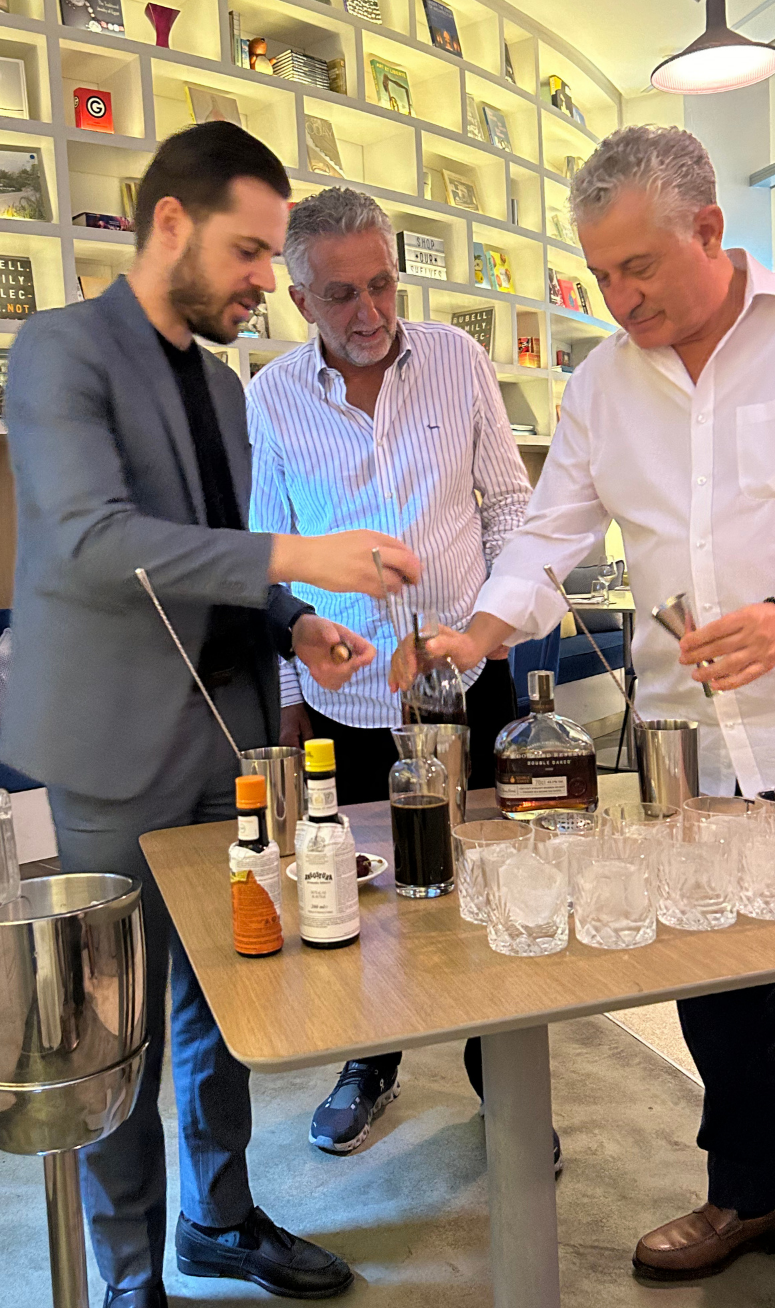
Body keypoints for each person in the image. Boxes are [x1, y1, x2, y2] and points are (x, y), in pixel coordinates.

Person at [399, 125, 775, 1308]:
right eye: (601, 276)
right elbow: (548, 537)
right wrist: (481, 624)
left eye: (640, 266)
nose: (622, 298)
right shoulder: (602, 384)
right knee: (715, 994)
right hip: (688, 750)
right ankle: (757, 1193)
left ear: (710, 231)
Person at [2, 123, 420, 1308]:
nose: (264, 279)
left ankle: (219, 1216)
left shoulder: (229, 390)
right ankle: (130, 1274)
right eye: (250, 250)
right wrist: (303, 564)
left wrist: (292, 627)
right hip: (114, 757)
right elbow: (92, 543)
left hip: (230, 738)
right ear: (169, 226)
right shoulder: (56, 353)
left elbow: (211, 557)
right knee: (110, 1031)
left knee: (220, 1002)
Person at [245, 187, 547, 1162]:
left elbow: (510, 509)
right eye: (341, 296)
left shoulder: (457, 360)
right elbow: (271, 555)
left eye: (381, 285)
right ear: (299, 301)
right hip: (350, 703)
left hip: (468, 688)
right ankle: (369, 1060)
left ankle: (499, 1077)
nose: (370, 313)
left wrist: (489, 629)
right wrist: (291, 704)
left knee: (486, 891)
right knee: (362, 892)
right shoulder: (271, 398)